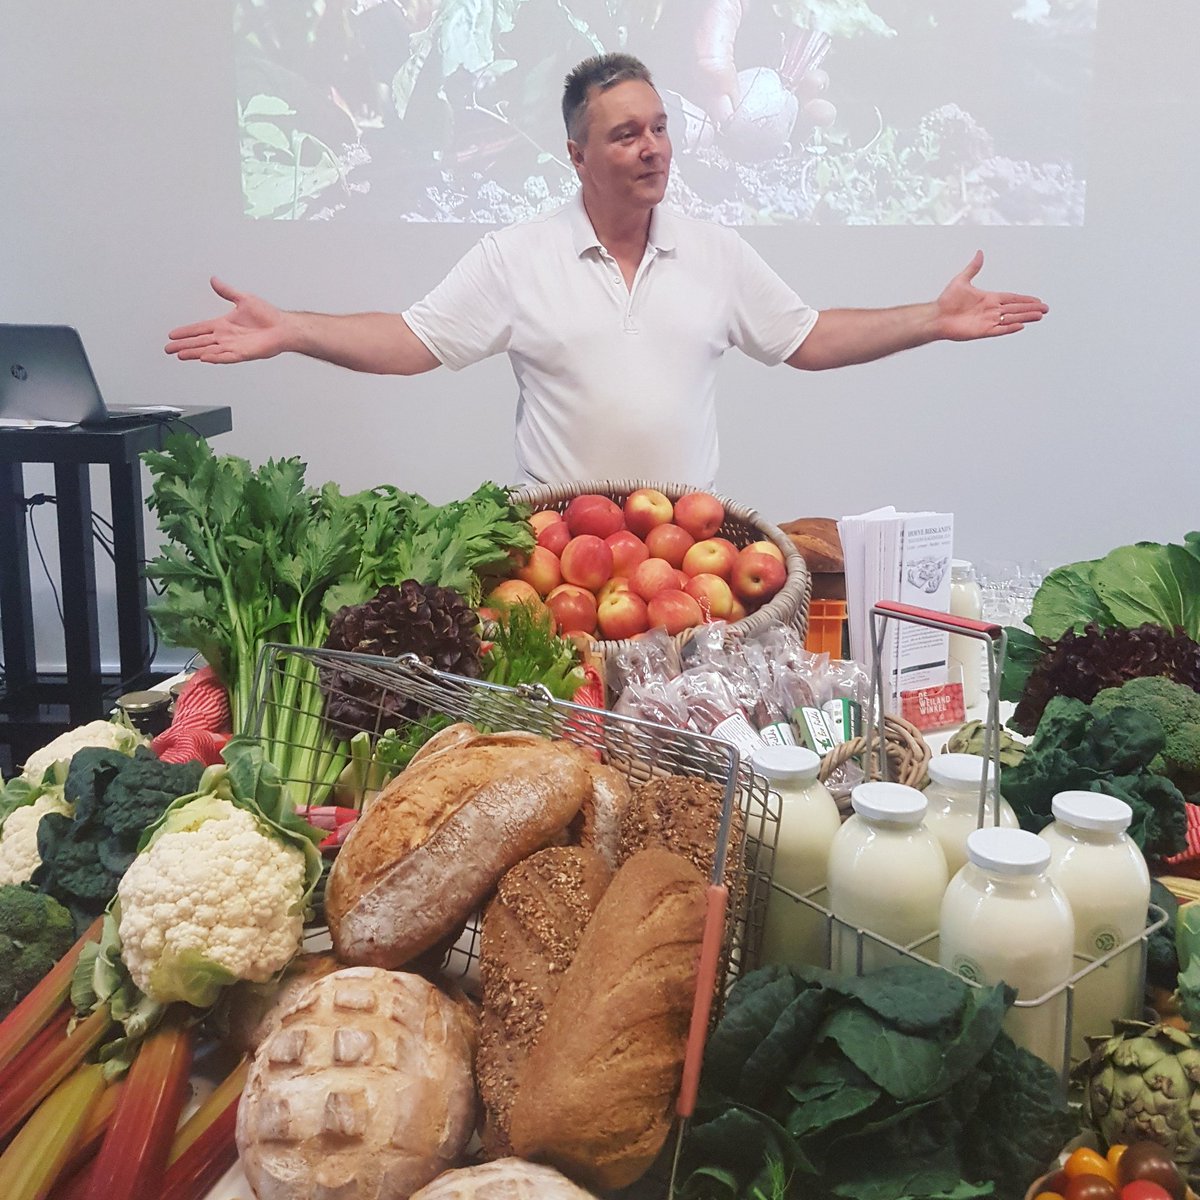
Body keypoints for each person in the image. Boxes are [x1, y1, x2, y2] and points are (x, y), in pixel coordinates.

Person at [165, 53, 1047, 486]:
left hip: (686, 544)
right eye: (627, 133)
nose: (653, 147)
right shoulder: (518, 254)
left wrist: (931, 320)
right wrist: (291, 331)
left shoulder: (714, 247)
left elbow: (808, 337)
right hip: (557, 549)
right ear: (577, 154)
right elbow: (412, 340)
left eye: (661, 127)